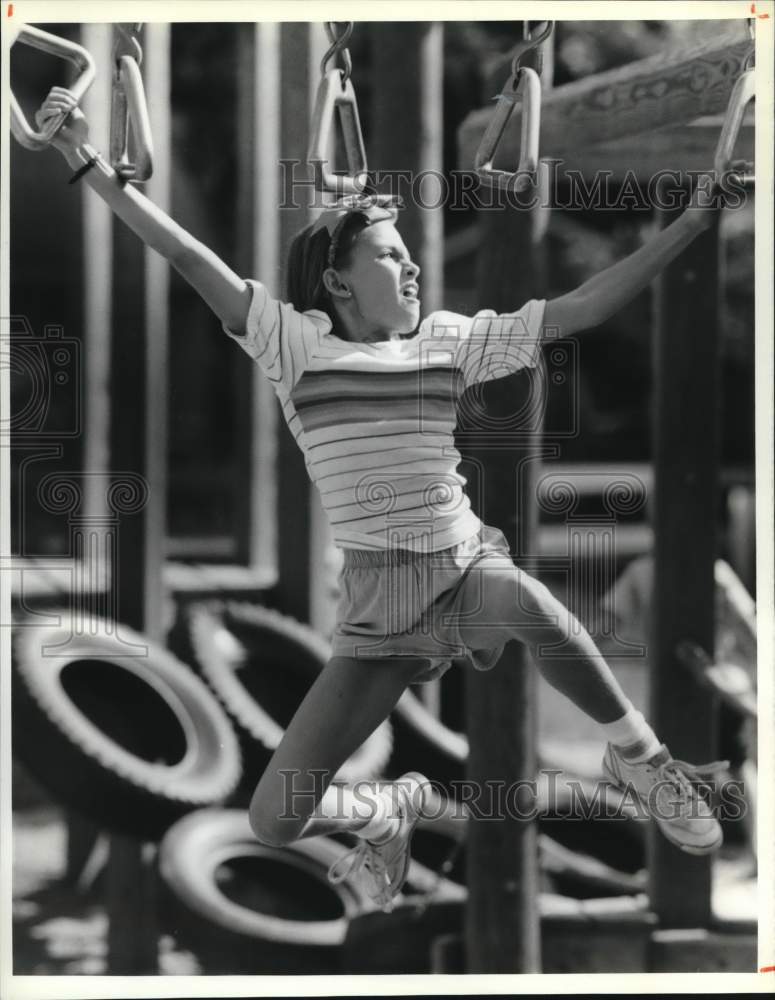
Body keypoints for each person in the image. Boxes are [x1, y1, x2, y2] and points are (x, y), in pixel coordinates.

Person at [35, 87, 730, 913]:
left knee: (522, 597)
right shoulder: (290, 345)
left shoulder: (448, 340)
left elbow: (577, 309)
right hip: (376, 607)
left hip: (462, 565)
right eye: (391, 257)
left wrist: (685, 226)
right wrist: (86, 160)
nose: (410, 267)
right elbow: (189, 257)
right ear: (336, 282)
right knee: (273, 816)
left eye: (408, 256)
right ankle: (386, 811)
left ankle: (644, 760)